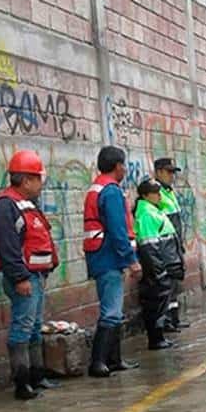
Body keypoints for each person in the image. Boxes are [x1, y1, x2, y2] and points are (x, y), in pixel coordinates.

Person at [0, 150, 60, 400]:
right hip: (24, 278)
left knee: (34, 328)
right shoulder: (5, 207)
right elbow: (7, 247)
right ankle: (22, 383)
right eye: (39, 178)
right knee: (23, 327)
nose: (41, 184)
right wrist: (20, 278)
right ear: (26, 180)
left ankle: (37, 376)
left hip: (36, 276)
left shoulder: (27, 204)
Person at [84, 146, 141, 377]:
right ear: (118, 166)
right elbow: (118, 230)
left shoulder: (98, 187)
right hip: (108, 257)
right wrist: (132, 260)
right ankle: (98, 363)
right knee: (111, 312)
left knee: (114, 312)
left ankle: (114, 360)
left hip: (101, 256)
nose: (125, 169)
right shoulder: (111, 191)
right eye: (124, 165)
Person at [133, 179, 184, 350]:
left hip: (164, 265)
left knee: (161, 302)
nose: (159, 196)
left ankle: (159, 337)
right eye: (155, 193)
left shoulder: (155, 210)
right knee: (155, 303)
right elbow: (149, 247)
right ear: (145, 195)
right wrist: (159, 271)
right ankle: (155, 339)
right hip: (158, 268)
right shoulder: (147, 214)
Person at [153, 157, 190, 330]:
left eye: (173, 172)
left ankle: (174, 319)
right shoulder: (155, 191)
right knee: (166, 283)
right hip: (165, 246)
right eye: (168, 172)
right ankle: (165, 321)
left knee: (175, 282)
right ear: (159, 171)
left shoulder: (169, 191)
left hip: (175, 244)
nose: (171, 176)